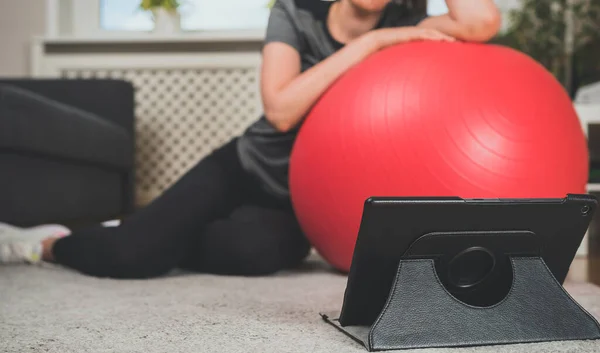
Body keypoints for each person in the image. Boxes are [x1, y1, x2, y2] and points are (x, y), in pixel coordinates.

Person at [0, 0, 501, 278]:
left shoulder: (407, 18)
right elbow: (280, 110)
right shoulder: (295, 13)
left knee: (253, 256)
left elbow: (482, 21)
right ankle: (45, 245)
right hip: (244, 167)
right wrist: (373, 44)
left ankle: (154, 234)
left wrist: (391, 33)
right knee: (131, 258)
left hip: (303, 200)